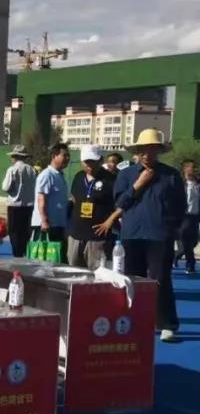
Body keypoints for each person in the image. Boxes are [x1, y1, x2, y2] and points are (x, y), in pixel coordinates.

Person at [114, 129, 185, 342]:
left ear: (158, 151)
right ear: (137, 151)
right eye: (142, 150)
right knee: (132, 280)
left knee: (160, 280)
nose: (146, 154)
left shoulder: (171, 175)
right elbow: (120, 203)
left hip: (160, 236)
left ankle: (167, 324)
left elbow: (180, 205)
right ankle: (133, 322)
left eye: (151, 149)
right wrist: (138, 185)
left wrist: (171, 228)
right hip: (132, 235)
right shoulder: (126, 175)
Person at [67, 145, 119, 270]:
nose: (89, 165)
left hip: (97, 238)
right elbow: (74, 198)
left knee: (98, 274)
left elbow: (121, 204)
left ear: (100, 160)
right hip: (76, 235)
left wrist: (109, 221)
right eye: (86, 161)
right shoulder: (79, 177)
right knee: (74, 272)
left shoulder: (111, 180)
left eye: (92, 161)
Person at [31, 143, 71, 256]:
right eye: (64, 155)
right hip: (46, 227)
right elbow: (41, 199)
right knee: (44, 258)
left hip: (58, 225)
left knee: (57, 258)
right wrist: (44, 221)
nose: (67, 158)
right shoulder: (47, 175)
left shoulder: (60, 175)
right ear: (54, 156)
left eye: (68, 156)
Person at [2, 144, 36, 259]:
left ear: (15, 157)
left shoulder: (12, 170)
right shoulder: (31, 170)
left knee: (14, 234)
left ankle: (17, 257)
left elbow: (5, 187)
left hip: (15, 206)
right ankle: (24, 255)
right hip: (29, 206)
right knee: (25, 234)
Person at [179, 159, 200, 275]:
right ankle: (190, 264)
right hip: (184, 216)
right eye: (192, 167)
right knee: (186, 240)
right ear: (185, 169)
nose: (195, 169)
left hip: (195, 216)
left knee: (194, 241)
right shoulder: (181, 183)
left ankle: (178, 255)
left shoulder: (198, 183)